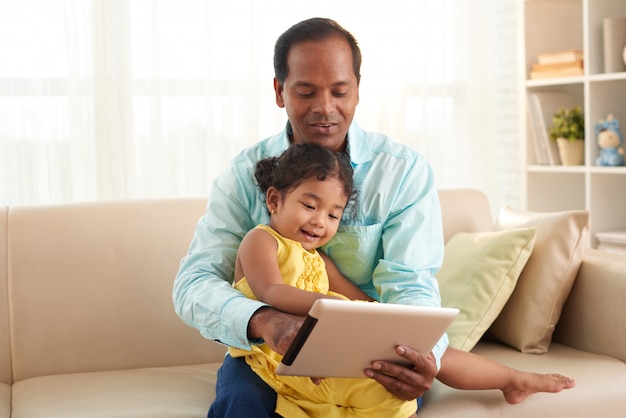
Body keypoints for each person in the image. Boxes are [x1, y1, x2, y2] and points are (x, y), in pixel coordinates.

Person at [172, 17, 574, 417]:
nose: (325, 108)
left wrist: (420, 353)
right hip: (268, 353)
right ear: (280, 91)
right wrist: (264, 321)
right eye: (306, 91)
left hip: (368, 354)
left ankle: (509, 379)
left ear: (358, 90)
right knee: (242, 404)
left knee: (395, 396)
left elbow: (410, 285)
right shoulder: (244, 176)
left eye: (340, 91)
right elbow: (194, 283)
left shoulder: (403, 172)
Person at [227, 142, 574, 418]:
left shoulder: (320, 259)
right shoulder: (261, 240)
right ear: (274, 199)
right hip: (278, 351)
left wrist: (389, 323)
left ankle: (514, 380)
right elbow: (271, 291)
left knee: (423, 353)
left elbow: (363, 302)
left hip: (329, 338)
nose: (320, 221)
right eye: (309, 205)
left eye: (333, 214)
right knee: (379, 392)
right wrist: (329, 306)